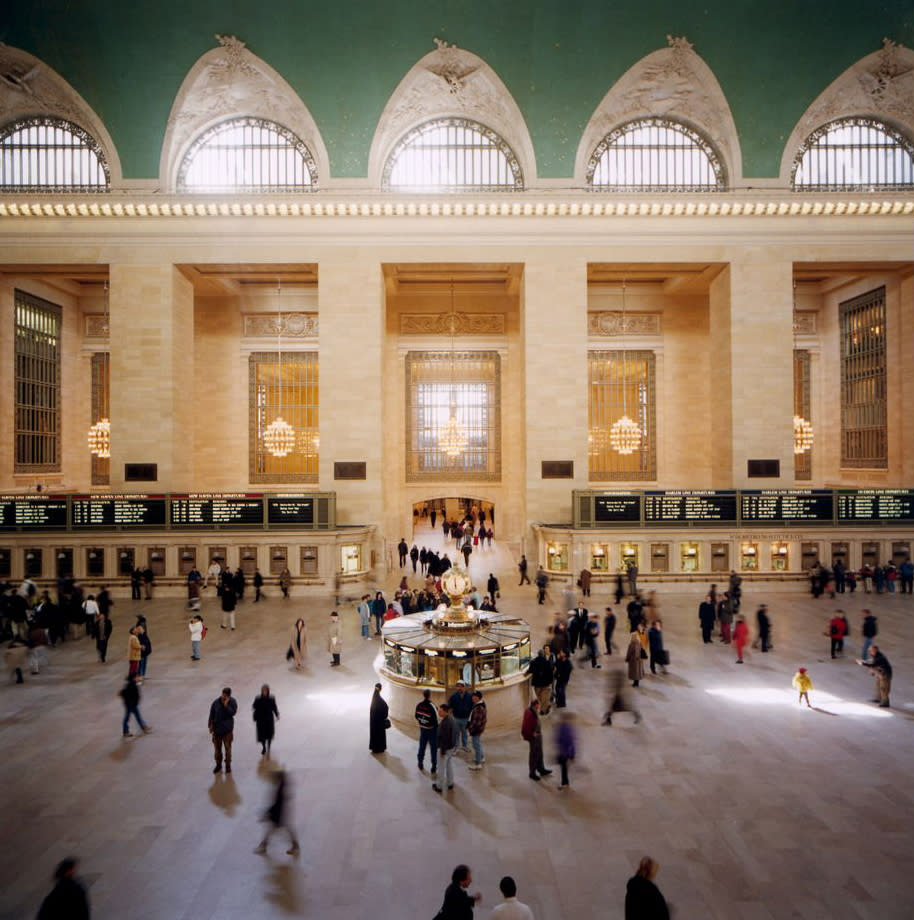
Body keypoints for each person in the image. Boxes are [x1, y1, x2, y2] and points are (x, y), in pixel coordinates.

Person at [254, 768, 300, 857]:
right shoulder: (282, 787)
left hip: (278, 815)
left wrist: (267, 813)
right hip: (281, 814)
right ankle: (295, 846)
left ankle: (263, 846)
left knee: (272, 831)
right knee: (284, 830)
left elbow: (276, 804)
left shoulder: (279, 790)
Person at [208, 687, 238, 774]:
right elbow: (211, 714)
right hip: (217, 730)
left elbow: (233, 713)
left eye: (225, 695)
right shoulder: (216, 702)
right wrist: (210, 725)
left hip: (227, 731)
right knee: (217, 750)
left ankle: (228, 766)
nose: (223, 696)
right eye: (223, 694)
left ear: (229, 696)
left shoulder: (233, 702)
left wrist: (226, 705)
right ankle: (218, 765)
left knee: (228, 749)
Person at [521, 699, 552, 781]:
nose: (539, 707)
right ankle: (532, 773)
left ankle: (541, 769)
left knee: (540, 753)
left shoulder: (533, 711)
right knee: (534, 754)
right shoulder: (530, 713)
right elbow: (526, 726)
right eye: (538, 705)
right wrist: (532, 734)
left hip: (538, 735)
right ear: (535, 705)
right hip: (534, 736)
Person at [433, 703, 457, 792]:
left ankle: (439, 786)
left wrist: (442, 751)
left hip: (445, 748)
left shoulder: (446, 723)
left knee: (441, 767)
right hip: (451, 747)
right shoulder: (451, 719)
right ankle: (450, 783)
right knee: (449, 765)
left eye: (440, 711)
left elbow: (444, 738)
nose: (439, 712)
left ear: (445, 712)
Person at [119, 673, 150, 737]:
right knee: (128, 717)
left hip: (132, 704)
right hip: (130, 704)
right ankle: (126, 731)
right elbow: (124, 692)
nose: (139, 678)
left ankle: (143, 727)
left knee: (137, 716)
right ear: (134, 678)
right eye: (137, 677)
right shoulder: (131, 685)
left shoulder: (133, 683)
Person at [415, 688, 438, 774]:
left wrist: (422, 722)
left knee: (422, 746)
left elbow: (416, 716)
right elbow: (436, 719)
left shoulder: (419, 705)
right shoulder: (432, 705)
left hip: (423, 729)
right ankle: (434, 766)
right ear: (430, 695)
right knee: (433, 748)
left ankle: (420, 762)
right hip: (432, 730)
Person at [252, 684, 279, 757]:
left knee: (269, 734)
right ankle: (264, 747)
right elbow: (254, 706)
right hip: (261, 720)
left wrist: (277, 714)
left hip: (269, 719)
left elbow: (274, 707)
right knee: (262, 735)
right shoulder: (258, 698)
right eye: (263, 691)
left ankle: (269, 747)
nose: (264, 692)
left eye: (266, 691)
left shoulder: (271, 698)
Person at [525, 649, 554, 715]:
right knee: (544, 697)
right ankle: (544, 709)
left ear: (538, 654)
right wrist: (551, 681)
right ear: (543, 654)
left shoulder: (534, 661)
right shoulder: (547, 662)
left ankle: (543, 708)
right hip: (545, 683)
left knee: (539, 696)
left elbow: (530, 670)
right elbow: (550, 673)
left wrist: (526, 673)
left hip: (537, 683)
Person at [448, 680, 474, 751]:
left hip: (465, 718)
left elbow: (472, 706)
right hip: (456, 718)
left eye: (461, 687)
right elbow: (450, 706)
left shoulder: (469, 696)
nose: (459, 688)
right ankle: (456, 747)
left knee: (464, 733)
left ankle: (464, 746)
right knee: (456, 733)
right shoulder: (453, 697)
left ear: (464, 687)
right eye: (458, 686)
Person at [554, 710, 576, 791]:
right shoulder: (565, 727)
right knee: (564, 769)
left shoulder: (565, 728)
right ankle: (565, 783)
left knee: (564, 769)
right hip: (564, 752)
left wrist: (571, 754)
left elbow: (569, 742)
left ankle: (565, 784)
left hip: (564, 753)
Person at [467, 690, 487, 770]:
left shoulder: (478, 708)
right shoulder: (479, 705)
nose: (473, 698)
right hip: (478, 729)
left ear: (479, 698)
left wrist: (470, 728)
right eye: (473, 696)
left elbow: (477, 722)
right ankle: (481, 757)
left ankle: (478, 764)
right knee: (478, 744)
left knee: (476, 746)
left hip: (476, 730)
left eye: (475, 697)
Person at [369, 682, 389, 753]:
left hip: (374, 722)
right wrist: (385, 716)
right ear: (380, 689)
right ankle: (380, 748)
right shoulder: (380, 700)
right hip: (380, 722)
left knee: (374, 733)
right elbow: (386, 707)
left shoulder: (374, 699)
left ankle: (374, 747)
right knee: (380, 734)